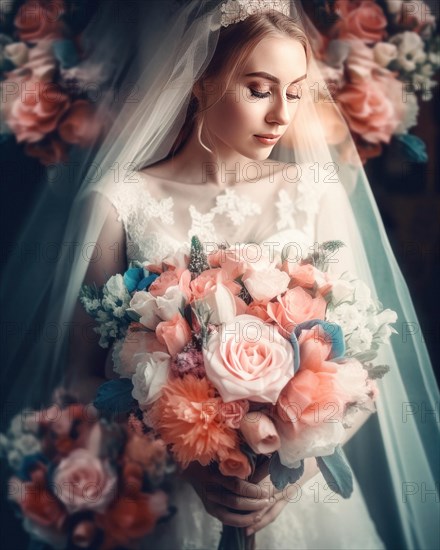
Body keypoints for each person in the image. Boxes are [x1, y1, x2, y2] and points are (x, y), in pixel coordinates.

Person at [2, 1, 438, 549]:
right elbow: (86, 379)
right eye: (259, 89)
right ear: (200, 83)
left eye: (296, 91)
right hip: (172, 502)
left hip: (305, 510)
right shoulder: (117, 203)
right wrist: (186, 461)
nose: (282, 114)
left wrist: (292, 473)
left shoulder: (314, 191)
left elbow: (365, 376)